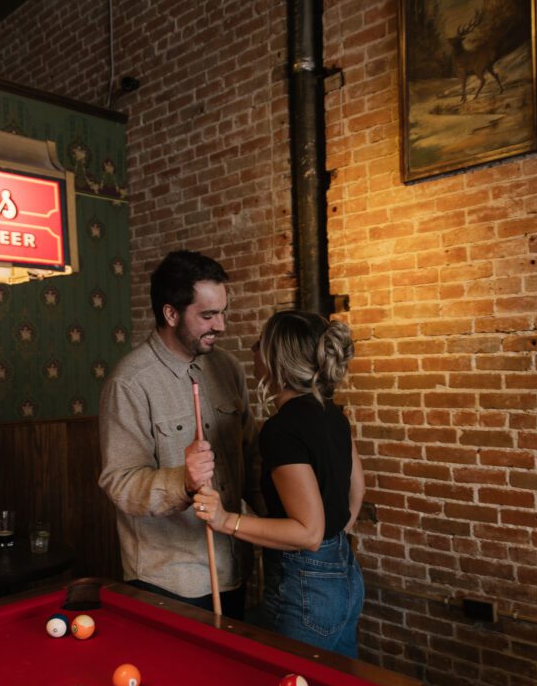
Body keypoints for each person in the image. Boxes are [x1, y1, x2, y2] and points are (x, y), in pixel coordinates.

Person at [98, 249, 263, 619]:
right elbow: (120, 483)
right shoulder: (130, 383)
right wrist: (183, 482)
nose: (220, 325)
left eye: (223, 312)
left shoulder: (228, 368)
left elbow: (251, 458)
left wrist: (286, 530)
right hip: (169, 581)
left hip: (235, 566)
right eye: (207, 315)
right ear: (171, 313)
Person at [194, 309, 365, 656]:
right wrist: (335, 541)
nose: (254, 350)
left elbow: (308, 533)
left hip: (308, 587)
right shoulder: (334, 414)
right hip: (345, 574)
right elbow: (356, 490)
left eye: (260, 344)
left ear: (275, 361)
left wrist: (226, 520)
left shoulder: (281, 429)